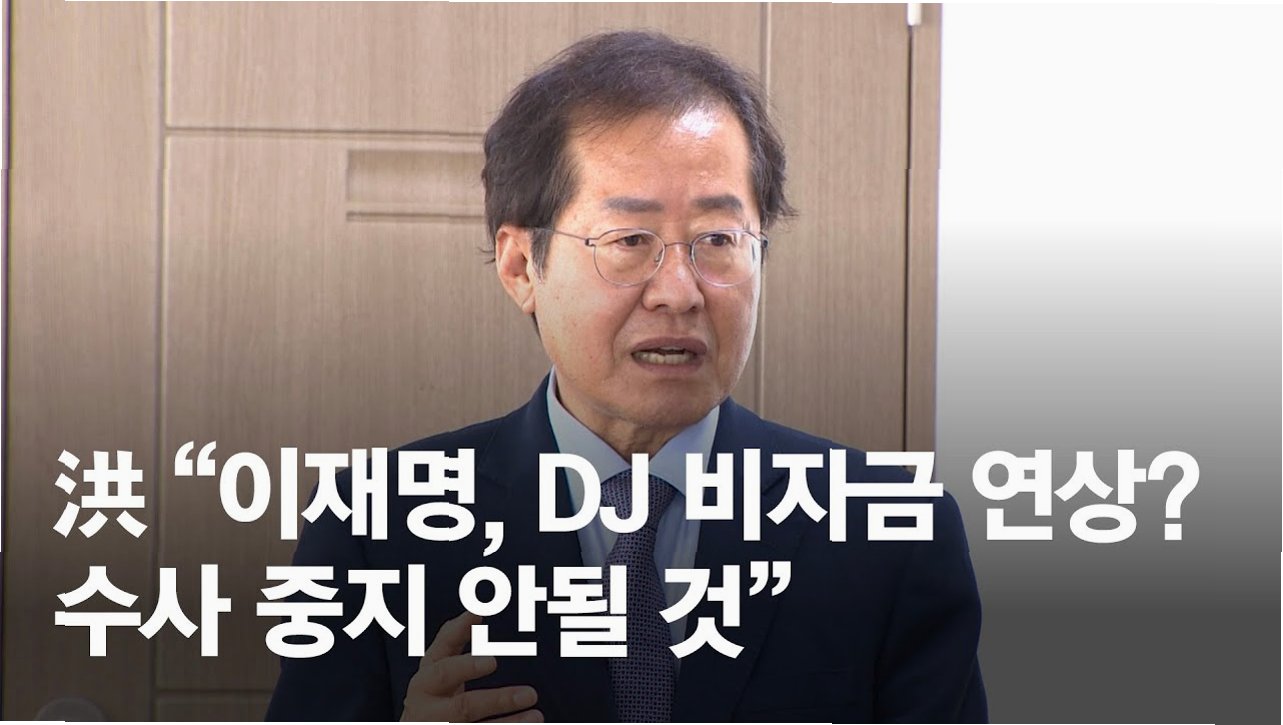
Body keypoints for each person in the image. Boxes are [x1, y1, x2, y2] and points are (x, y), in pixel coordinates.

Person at [267, 30, 986, 723]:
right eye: (630, 240)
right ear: (520, 267)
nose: (679, 292)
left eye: (718, 240)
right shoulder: (374, 523)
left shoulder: (894, 531)